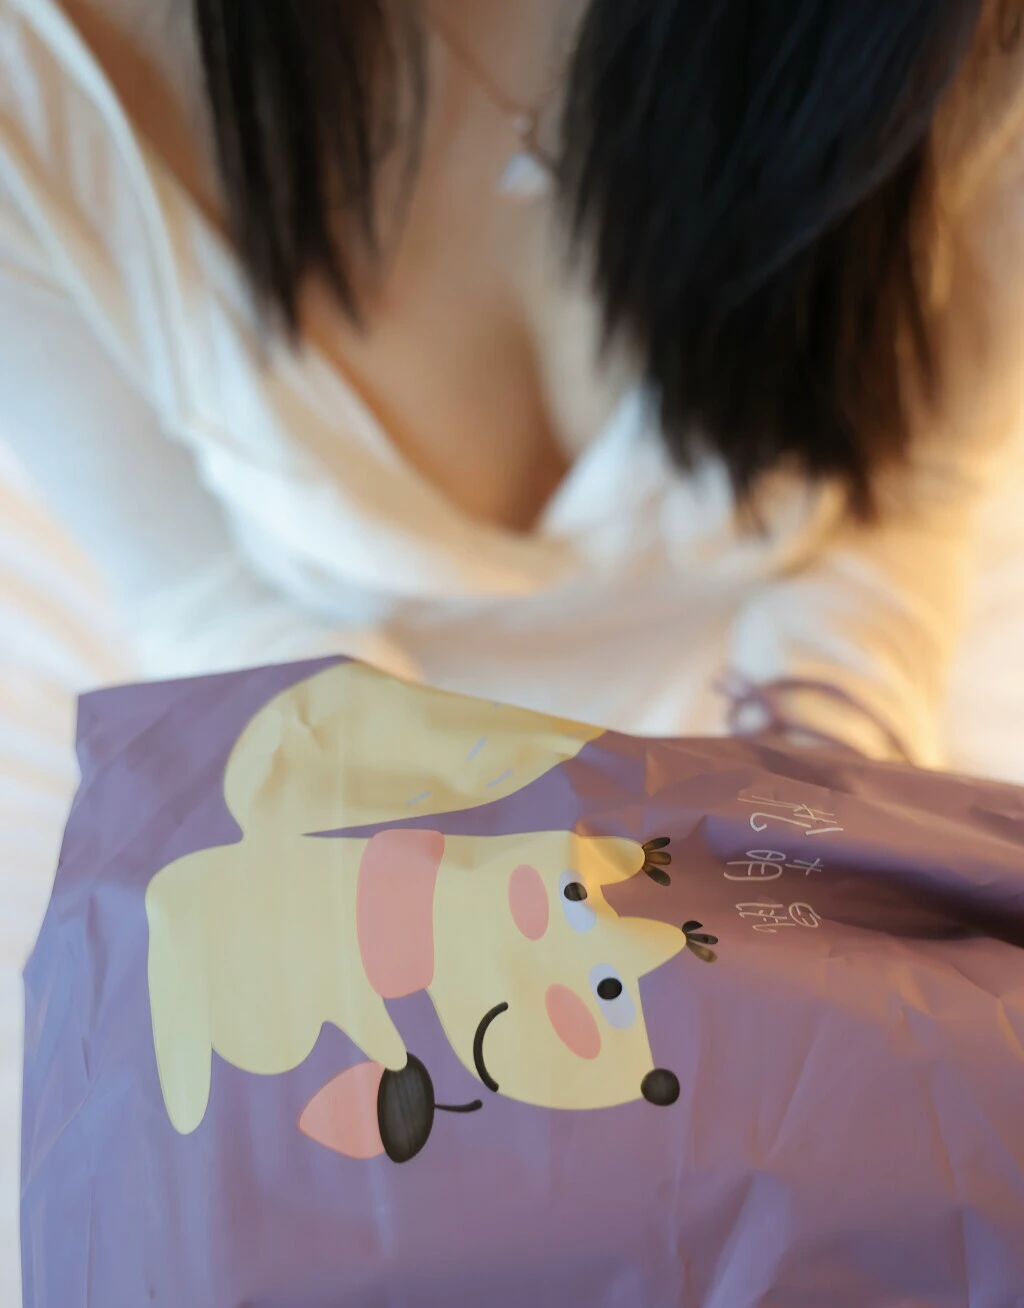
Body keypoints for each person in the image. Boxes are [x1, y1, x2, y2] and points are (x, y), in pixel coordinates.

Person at [1, 0, 1023, 762]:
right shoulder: (35, 82)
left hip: (813, 654)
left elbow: (919, 483)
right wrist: (431, 888)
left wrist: (815, 804)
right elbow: (209, 595)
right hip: (339, 729)